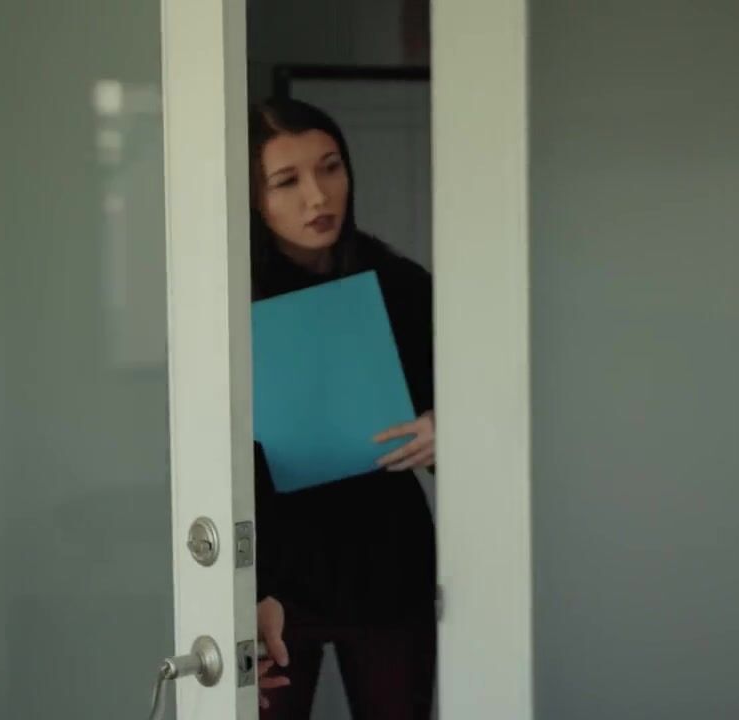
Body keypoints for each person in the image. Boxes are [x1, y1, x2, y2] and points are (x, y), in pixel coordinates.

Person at [248, 97, 436, 720]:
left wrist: (447, 429)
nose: (317, 196)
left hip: (388, 565)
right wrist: (247, 587)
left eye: (330, 167)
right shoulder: (225, 299)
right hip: (273, 577)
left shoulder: (402, 285)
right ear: (252, 197)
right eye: (286, 181)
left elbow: (486, 415)